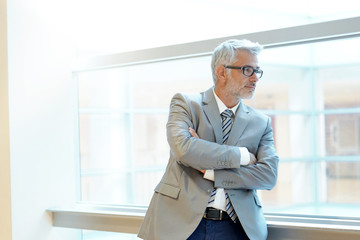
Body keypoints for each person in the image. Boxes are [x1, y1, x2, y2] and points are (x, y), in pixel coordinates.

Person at [138, 39, 279, 240]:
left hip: (236, 229)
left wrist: (211, 171)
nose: (255, 78)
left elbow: (268, 175)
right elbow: (184, 149)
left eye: (258, 71)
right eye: (248, 70)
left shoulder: (261, 123)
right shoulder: (185, 104)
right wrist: (243, 156)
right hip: (180, 224)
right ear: (222, 72)